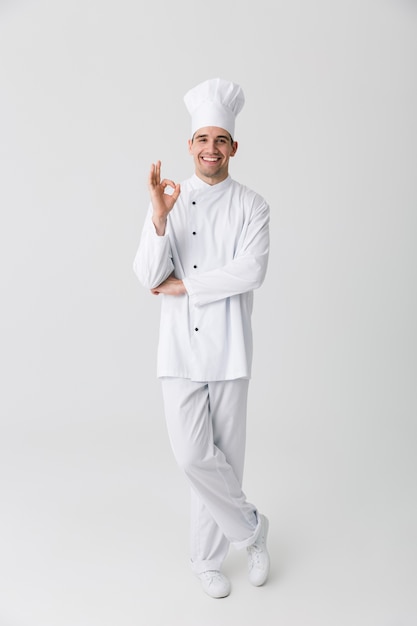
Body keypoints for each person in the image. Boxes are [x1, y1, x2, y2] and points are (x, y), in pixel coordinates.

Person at [133, 77, 270, 599]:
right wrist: (158, 217)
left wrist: (186, 285)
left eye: (220, 140)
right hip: (179, 349)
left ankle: (207, 559)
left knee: (227, 459)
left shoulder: (252, 206)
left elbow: (249, 270)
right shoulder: (170, 200)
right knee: (193, 455)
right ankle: (253, 530)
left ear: (233, 147)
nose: (210, 149)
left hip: (231, 346)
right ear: (189, 146)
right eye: (202, 140)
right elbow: (147, 275)